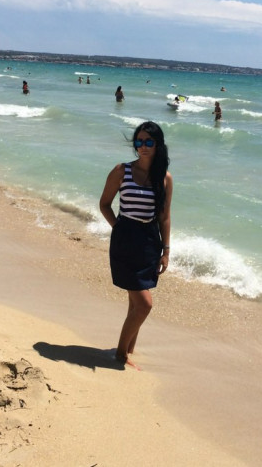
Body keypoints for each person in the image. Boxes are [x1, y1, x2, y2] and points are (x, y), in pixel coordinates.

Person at [99, 121, 173, 369]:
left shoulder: (164, 178)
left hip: (150, 241)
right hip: (125, 239)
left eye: (148, 141)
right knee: (144, 304)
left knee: (135, 302)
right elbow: (104, 204)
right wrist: (118, 228)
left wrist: (166, 251)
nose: (143, 146)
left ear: (157, 144)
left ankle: (130, 348)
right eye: (139, 141)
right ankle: (121, 354)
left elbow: (164, 217)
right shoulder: (122, 171)